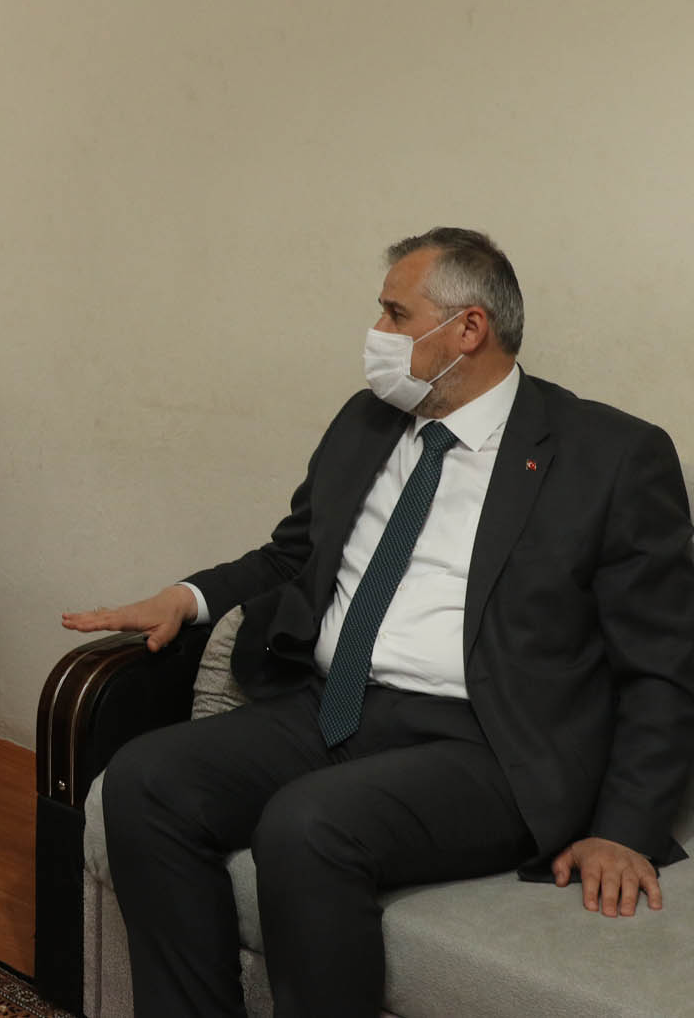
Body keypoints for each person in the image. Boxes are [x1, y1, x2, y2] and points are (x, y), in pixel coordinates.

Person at [62, 228, 694, 1017]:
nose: (377, 333)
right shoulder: (367, 422)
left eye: (396, 314)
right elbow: (293, 554)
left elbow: (662, 663)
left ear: (468, 329)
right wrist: (187, 597)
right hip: (334, 704)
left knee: (306, 826)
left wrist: (624, 828)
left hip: (488, 744)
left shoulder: (611, 455)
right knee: (143, 780)